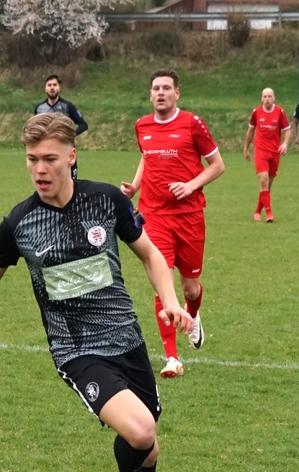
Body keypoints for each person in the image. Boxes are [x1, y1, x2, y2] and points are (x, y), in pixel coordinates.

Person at [0, 113, 193, 472]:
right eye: (32, 159)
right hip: (77, 351)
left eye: (50, 159)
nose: (39, 169)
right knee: (141, 430)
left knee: (148, 448)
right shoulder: (19, 223)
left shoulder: (106, 200)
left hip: (127, 340)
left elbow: (151, 254)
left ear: (71, 157)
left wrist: (170, 299)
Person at [121, 69, 225, 379]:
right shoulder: (142, 125)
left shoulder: (192, 124)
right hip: (153, 215)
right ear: (150, 94)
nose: (161, 92)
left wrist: (191, 185)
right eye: (156, 88)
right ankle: (172, 358)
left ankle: (193, 314)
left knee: (190, 287)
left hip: (189, 217)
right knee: (161, 280)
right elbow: (147, 157)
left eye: (167, 88)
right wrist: (135, 187)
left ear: (176, 93)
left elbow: (218, 165)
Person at [244, 88, 291, 223]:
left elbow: (287, 130)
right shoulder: (256, 112)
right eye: (264, 96)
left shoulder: (280, 112)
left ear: (274, 98)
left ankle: (257, 211)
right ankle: (269, 214)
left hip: (275, 151)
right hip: (261, 150)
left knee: (267, 185)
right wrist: (246, 148)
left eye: (269, 96)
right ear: (261, 99)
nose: (267, 99)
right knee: (263, 180)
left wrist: (285, 144)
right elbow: (250, 131)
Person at [34, 74, 88, 180]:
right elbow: (36, 128)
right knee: (50, 180)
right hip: (47, 149)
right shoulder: (39, 108)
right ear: (45, 89)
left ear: (59, 88)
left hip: (66, 149)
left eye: (55, 85)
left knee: (71, 181)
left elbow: (83, 125)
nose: (52, 87)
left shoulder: (68, 106)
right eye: (49, 85)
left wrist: (70, 135)